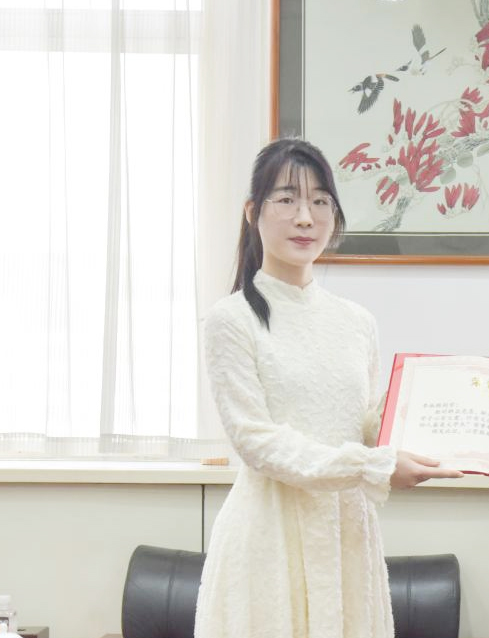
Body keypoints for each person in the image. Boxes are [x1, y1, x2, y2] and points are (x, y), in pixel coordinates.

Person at [195, 138, 462, 638]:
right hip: (270, 534)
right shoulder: (230, 319)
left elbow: (366, 423)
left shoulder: (356, 321)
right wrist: (373, 466)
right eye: (287, 199)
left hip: (348, 533)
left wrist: (436, 409)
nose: (305, 217)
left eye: (320, 201)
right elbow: (257, 442)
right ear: (253, 212)